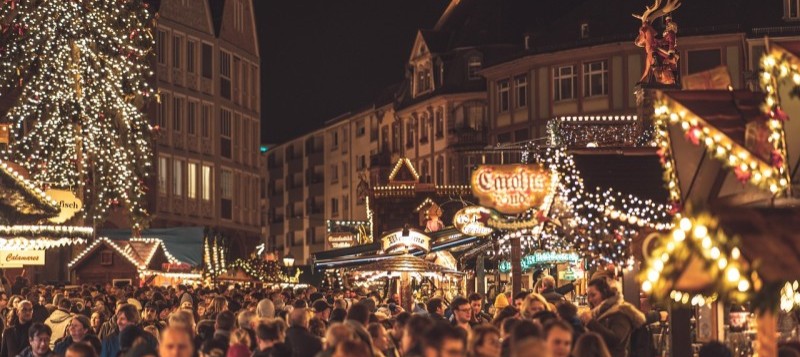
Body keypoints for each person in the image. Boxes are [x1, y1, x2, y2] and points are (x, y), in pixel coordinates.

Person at [580, 277, 645, 357]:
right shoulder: (598, 313)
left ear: (604, 293)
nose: (590, 300)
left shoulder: (620, 312)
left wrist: (590, 322)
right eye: (588, 296)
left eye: (593, 295)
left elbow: (616, 340)